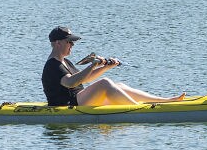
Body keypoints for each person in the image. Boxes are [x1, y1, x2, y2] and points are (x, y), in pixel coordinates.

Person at [42, 26, 185, 108]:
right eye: (69, 42)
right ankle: (140, 110)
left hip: (78, 100)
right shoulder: (52, 66)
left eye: (72, 42)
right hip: (67, 105)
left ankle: (165, 100)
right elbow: (71, 82)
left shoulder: (66, 62)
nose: (72, 45)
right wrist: (93, 64)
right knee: (105, 83)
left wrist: (106, 66)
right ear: (57, 43)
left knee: (119, 85)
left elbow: (85, 79)